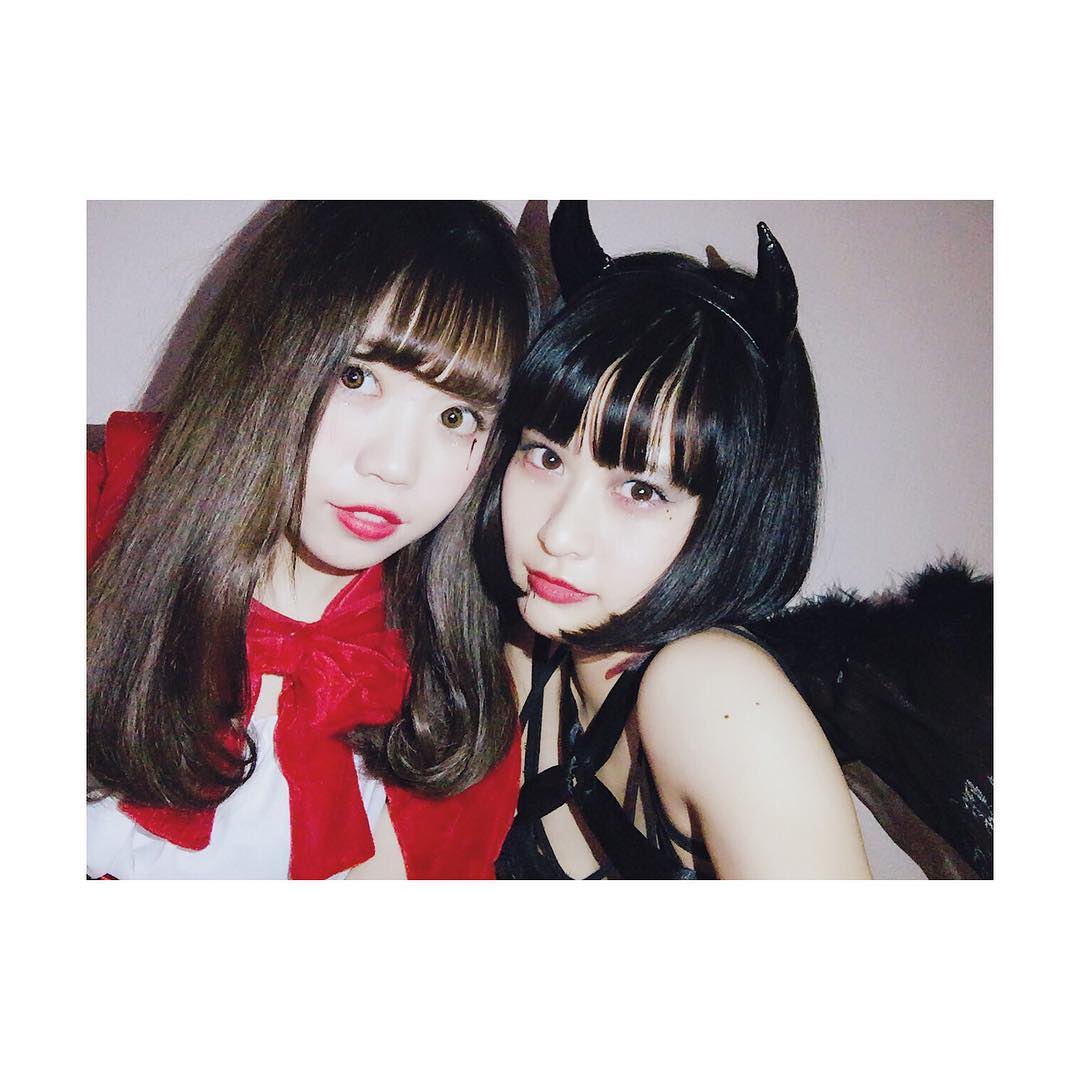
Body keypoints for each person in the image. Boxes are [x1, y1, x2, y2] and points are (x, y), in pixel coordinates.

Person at [87, 200, 537, 879]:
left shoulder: (452, 703)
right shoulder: (91, 519)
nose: (395, 466)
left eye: (456, 416)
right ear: (268, 352)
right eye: (357, 377)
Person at [476, 202, 872, 879]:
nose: (558, 534)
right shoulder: (533, 655)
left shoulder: (712, 691)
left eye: (640, 490)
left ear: (733, 515)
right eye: (546, 457)